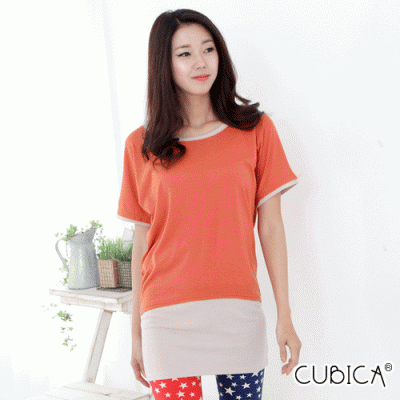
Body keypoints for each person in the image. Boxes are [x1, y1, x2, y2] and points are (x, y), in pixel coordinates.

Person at [117, 8, 302, 399]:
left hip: (238, 312)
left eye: (208, 49)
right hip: (165, 317)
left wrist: (284, 315)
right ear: (164, 64)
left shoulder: (255, 130)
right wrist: (135, 334)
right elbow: (142, 240)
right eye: (184, 53)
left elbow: (271, 227)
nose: (200, 62)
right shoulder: (142, 145)